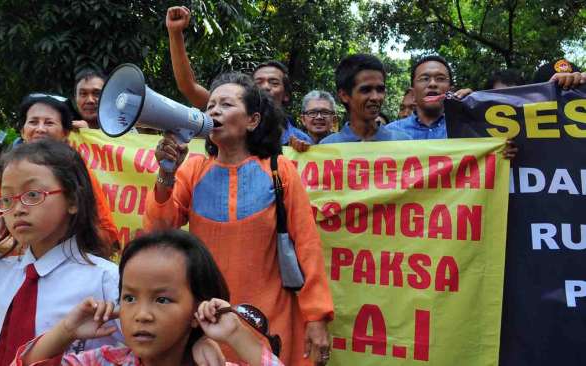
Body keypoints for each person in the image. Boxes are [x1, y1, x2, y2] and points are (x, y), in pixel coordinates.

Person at [144, 72, 334, 366]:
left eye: (226, 104)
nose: (215, 111)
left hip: (271, 323)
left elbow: (307, 247)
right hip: (207, 323)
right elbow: (156, 235)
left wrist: (317, 317)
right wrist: (167, 172)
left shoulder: (279, 169)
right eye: (210, 106)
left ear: (252, 121)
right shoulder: (192, 171)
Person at [0, 140, 121, 366]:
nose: (18, 209)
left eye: (32, 194)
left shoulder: (106, 280)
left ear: (72, 200)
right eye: (7, 199)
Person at [12, 230, 284, 366]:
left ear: (197, 311)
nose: (142, 314)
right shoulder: (103, 361)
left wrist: (236, 334)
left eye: (162, 300)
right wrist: (67, 331)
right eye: (129, 297)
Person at [0, 93, 119, 254]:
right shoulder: (5, 179)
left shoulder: (81, 176)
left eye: (49, 123)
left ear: (65, 133)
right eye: (33, 122)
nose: (40, 129)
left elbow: (108, 237)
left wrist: (59, 247)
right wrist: (23, 244)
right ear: (22, 131)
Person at [165, 6, 311, 146]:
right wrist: (175, 32)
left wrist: (299, 150)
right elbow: (188, 86)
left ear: (286, 94)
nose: (265, 87)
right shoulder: (228, 112)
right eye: (258, 82)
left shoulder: (301, 139)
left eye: (273, 82)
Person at [385, 55, 517, 158]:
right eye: (424, 78)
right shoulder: (389, 135)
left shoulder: (473, 128)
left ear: (451, 90)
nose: (432, 84)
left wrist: (475, 110)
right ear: (413, 93)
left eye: (440, 79)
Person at [319, 54, 411, 144]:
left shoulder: (403, 142)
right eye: (366, 90)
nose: (375, 97)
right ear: (344, 95)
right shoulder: (327, 147)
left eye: (380, 89)